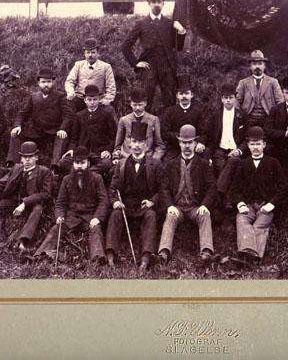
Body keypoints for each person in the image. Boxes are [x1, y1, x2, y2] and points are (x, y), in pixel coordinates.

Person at [33, 147, 108, 264]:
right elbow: (60, 203)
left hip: (89, 217)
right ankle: (41, 255)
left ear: (88, 164)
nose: (79, 166)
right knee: (56, 229)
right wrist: (59, 216)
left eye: (82, 163)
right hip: (71, 217)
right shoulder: (67, 179)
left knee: (96, 231)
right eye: (77, 163)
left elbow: (103, 201)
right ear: (73, 164)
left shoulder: (97, 179)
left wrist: (97, 218)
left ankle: (98, 258)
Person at [157, 125, 218, 264]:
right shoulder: (170, 165)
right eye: (184, 142)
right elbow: (164, 189)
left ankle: (206, 253)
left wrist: (205, 205)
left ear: (196, 143)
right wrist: (169, 206)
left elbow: (212, 187)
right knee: (170, 217)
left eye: (190, 142)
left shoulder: (204, 165)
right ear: (179, 143)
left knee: (205, 215)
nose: (187, 146)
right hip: (177, 206)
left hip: (194, 207)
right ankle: (163, 253)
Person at [105, 122, 162, 271]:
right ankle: (110, 254)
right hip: (126, 206)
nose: (137, 145)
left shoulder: (155, 164)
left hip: (144, 206)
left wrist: (152, 201)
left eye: (140, 142)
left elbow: (162, 190)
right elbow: (113, 188)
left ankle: (146, 257)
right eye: (134, 141)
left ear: (146, 143)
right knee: (115, 214)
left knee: (151, 215)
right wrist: (116, 201)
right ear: (129, 142)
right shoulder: (122, 164)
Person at [228, 126, 288, 266]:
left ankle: (250, 257)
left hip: (265, 205)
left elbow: (283, 188)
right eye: (252, 144)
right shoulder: (243, 164)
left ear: (264, 145)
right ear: (248, 145)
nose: (255, 147)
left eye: (258, 144)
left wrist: (271, 204)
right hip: (248, 205)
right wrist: (240, 204)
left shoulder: (273, 163)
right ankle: (250, 255)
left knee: (259, 226)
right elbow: (235, 188)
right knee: (242, 221)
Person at [121, 0, 186, 110]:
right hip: (149, 67)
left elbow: (179, 47)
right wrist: (136, 64)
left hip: (167, 66)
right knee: (145, 99)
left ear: (163, 3)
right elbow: (125, 46)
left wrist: (181, 32)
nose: (156, 4)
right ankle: (145, 127)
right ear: (149, 3)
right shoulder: (141, 23)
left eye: (159, 1)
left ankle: (169, 128)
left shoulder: (169, 23)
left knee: (170, 100)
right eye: (153, 2)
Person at [0, 141, 53, 250]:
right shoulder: (16, 168)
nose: (27, 160)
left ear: (36, 157)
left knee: (38, 209)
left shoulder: (44, 172)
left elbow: (46, 194)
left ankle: (22, 240)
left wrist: (25, 203)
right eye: (24, 157)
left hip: (31, 202)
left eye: (30, 157)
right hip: (13, 199)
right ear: (21, 158)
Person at [6, 68, 73, 171]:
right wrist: (17, 126)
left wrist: (62, 128)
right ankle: (12, 164)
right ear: (38, 83)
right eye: (43, 82)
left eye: (49, 82)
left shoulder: (60, 96)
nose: (46, 85)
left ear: (53, 82)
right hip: (36, 131)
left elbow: (68, 115)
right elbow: (22, 113)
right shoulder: (34, 97)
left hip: (54, 131)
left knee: (62, 137)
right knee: (15, 134)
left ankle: (54, 167)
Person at [65, 84, 117, 184]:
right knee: (63, 163)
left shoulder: (106, 114)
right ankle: (89, 175)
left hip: (99, 152)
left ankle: (85, 175)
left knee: (106, 163)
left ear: (99, 99)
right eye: (89, 99)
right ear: (84, 100)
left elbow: (112, 136)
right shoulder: (79, 115)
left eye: (95, 99)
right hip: (82, 153)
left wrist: (108, 150)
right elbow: (74, 138)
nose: (92, 102)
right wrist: (71, 149)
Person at [210, 83, 248, 199]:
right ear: (221, 99)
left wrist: (239, 150)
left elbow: (247, 137)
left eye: (231, 97)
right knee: (225, 169)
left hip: (235, 151)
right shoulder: (215, 115)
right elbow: (210, 136)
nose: (228, 101)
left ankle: (217, 196)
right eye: (225, 98)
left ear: (235, 99)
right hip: (219, 151)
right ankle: (228, 201)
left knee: (232, 164)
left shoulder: (242, 115)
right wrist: (209, 155)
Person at [160, 74, 210, 161]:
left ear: (192, 95)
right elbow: (164, 133)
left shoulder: (198, 111)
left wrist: (201, 142)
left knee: (203, 162)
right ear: (177, 95)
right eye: (181, 93)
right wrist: (181, 138)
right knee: (167, 163)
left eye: (186, 93)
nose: (184, 96)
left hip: (193, 147)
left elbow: (204, 132)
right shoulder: (170, 111)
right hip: (175, 148)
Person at [112, 87, 165, 164]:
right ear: (130, 104)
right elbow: (117, 145)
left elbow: (160, 145)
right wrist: (116, 157)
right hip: (127, 159)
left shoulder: (154, 120)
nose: (137, 108)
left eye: (140, 105)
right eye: (135, 105)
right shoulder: (124, 120)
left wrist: (154, 160)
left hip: (147, 160)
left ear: (145, 103)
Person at [64, 37, 116, 113]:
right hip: (80, 99)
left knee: (109, 111)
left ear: (98, 53)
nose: (90, 55)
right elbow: (69, 81)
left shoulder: (105, 67)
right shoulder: (78, 65)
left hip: (97, 100)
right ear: (84, 54)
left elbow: (111, 86)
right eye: (88, 52)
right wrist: (70, 92)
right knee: (68, 107)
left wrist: (107, 99)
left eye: (93, 52)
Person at [236, 50, 284, 128]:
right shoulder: (243, 83)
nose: (257, 66)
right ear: (250, 67)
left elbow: (280, 101)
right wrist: (241, 116)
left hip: (268, 118)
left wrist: (275, 116)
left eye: (260, 64)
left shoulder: (273, 82)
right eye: (254, 64)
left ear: (264, 66)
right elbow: (236, 101)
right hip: (248, 118)